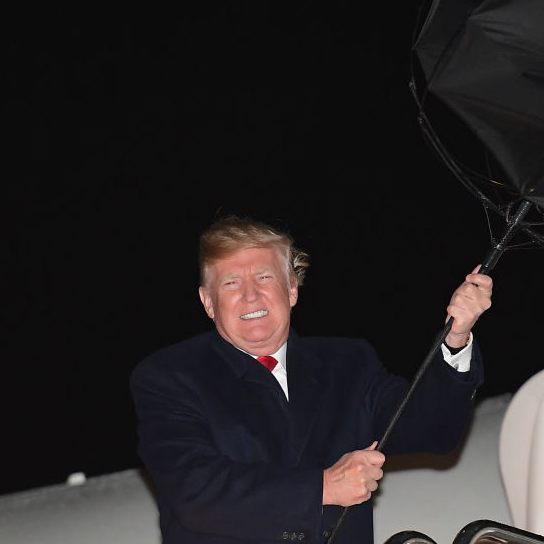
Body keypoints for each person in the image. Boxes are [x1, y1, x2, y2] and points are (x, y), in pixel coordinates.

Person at [130, 215, 492, 544]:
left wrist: (455, 337)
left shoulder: (348, 363)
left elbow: (433, 430)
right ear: (208, 302)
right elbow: (195, 492)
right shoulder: (168, 377)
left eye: (264, 276)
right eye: (230, 283)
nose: (250, 294)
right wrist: (322, 487)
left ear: (292, 290)